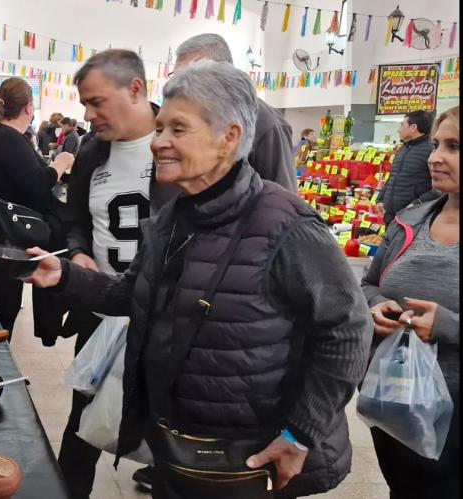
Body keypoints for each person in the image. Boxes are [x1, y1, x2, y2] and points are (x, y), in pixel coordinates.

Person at [25, 61, 371, 499]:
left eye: (177, 130)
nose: (159, 143)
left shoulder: (287, 226)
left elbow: (349, 331)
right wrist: (64, 276)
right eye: (160, 128)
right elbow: (131, 294)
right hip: (178, 452)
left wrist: (300, 434)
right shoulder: (173, 217)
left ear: (229, 137)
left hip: (248, 464)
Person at [54, 49, 158, 499]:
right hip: (101, 310)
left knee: (168, 429)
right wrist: (78, 253)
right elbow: (75, 220)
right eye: (84, 104)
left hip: (162, 318)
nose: (88, 114)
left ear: (135, 88)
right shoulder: (92, 152)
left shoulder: (177, 143)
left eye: (97, 102)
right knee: (81, 426)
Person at [361, 106, 459, 499]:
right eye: (436, 144)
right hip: (397, 395)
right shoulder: (410, 219)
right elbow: (367, 285)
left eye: (455, 146)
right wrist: (375, 306)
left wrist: (447, 324)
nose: (435, 157)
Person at [150, 33, 297, 213]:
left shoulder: (264, 120)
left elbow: (283, 196)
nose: (181, 85)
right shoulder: (174, 115)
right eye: (178, 76)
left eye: (193, 74)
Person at [0, 77, 72, 332]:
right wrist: (60, 164)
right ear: (28, 107)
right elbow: (37, 184)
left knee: (7, 303)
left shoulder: (1, 133)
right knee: (6, 305)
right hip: (3, 235)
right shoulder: (8, 138)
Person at [376, 110, 434, 224]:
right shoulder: (402, 149)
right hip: (390, 215)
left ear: (413, 127)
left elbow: (439, 188)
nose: (398, 129)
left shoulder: (431, 151)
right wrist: (380, 199)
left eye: (402, 125)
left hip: (413, 218)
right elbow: (392, 177)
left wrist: (417, 203)